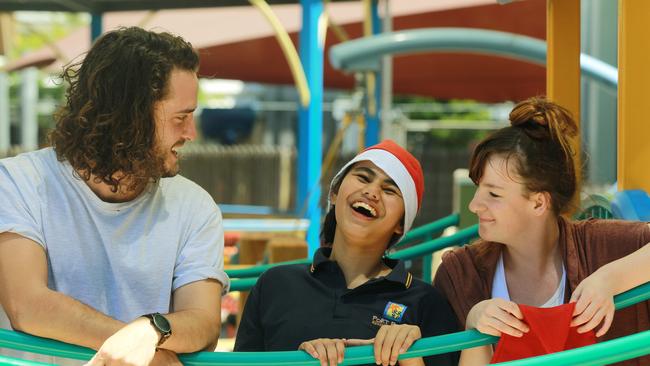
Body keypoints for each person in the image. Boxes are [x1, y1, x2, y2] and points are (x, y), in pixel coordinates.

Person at [0, 27, 229, 365]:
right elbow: (28, 306)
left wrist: (149, 332)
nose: (191, 133)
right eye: (180, 118)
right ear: (129, 117)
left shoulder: (195, 206)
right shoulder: (17, 182)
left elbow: (205, 322)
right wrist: (146, 352)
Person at [433, 97, 650, 365]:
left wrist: (609, 279)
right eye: (478, 188)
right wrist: (474, 321)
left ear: (538, 202)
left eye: (493, 194)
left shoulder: (600, 246)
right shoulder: (459, 274)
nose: (475, 204)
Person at [235, 140, 459, 366]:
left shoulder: (427, 302)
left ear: (401, 224)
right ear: (334, 193)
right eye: (363, 177)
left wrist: (409, 357)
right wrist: (302, 360)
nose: (372, 192)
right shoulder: (275, 284)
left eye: (389, 190)